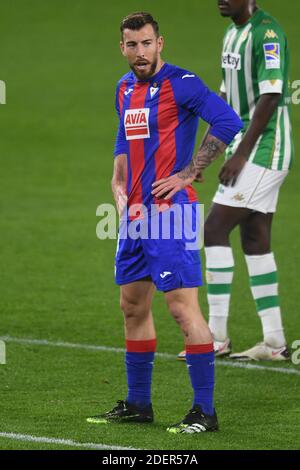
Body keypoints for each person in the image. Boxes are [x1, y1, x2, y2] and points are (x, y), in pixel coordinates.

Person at [87, 12, 242, 433]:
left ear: (161, 43)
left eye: (147, 43)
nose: (141, 52)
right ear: (122, 47)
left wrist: (191, 171)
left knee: (181, 308)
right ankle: (139, 404)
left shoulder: (182, 83)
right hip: (135, 216)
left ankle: (204, 412)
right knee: (132, 305)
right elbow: (125, 138)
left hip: (172, 214)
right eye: (132, 45)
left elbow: (228, 121)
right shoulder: (123, 89)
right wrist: (118, 180)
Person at [178, 0, 293, 362]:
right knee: (255, 238)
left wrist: (242, 153)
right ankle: (274, 343)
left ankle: (215, 337)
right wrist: (205, 157)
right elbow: (225, 99)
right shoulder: (231, 34)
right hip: (245, 148)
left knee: (213, 229)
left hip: (265, 150)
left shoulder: (267, 33)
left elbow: (271, 94)